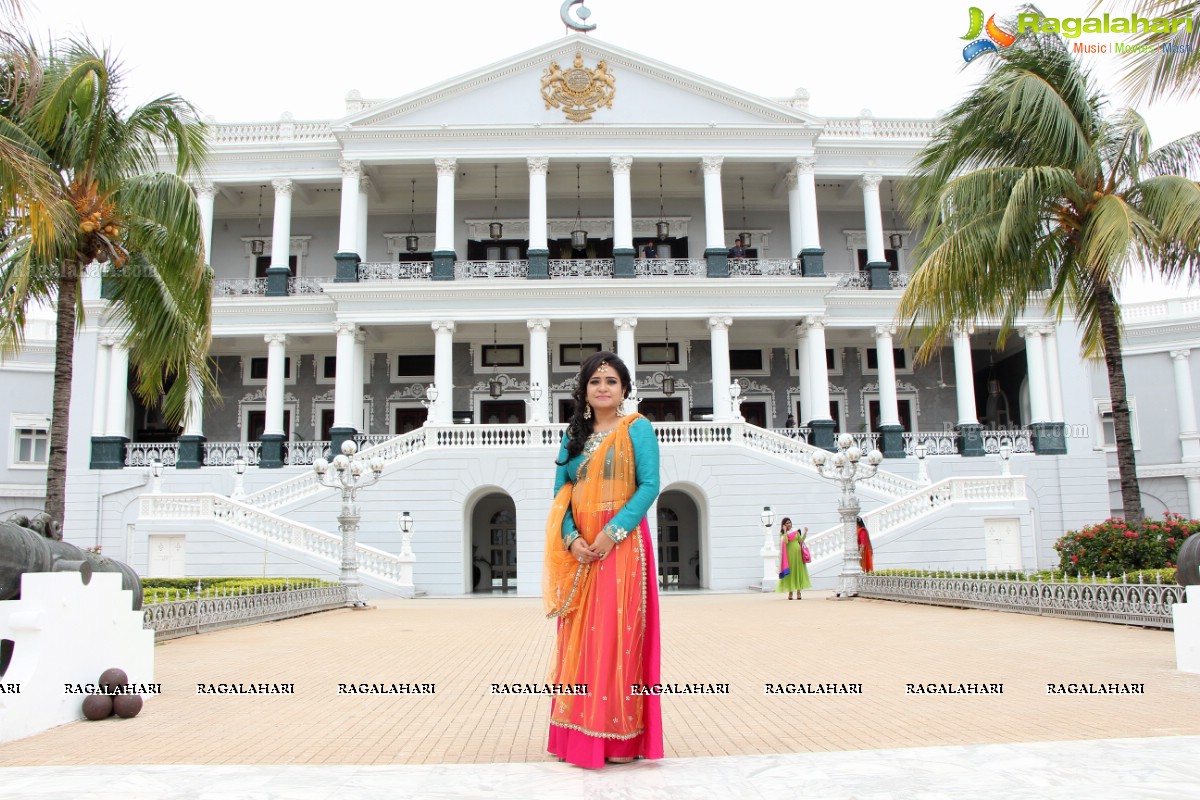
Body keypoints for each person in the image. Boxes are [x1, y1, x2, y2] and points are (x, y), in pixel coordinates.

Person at [543, 351, 663, 768]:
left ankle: (618, 737)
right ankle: (575, 735)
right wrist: (572, 538)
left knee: (616, 638)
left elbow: (649, 486)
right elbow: (561, 493)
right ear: (584, 390)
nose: (603, 388)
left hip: (622, 545)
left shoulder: (637, 429)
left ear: (625, 389)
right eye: (595, 381)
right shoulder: (572, 435)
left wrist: (612, 534)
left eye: (611, 381)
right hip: (582, 551)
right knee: (580, 641)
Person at [775, 517, 812, 600]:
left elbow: (801, 541)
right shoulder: (782, 534)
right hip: (789, 556)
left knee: (798, 571)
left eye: (789, 522)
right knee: (791, 573)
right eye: (787, 523)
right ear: (784, 525)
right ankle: (790, 593)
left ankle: (799, 593)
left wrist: (805, 533)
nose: (789, 524)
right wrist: (785, 531)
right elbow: (786, 541)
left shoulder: (796, 531)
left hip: (798, 555)